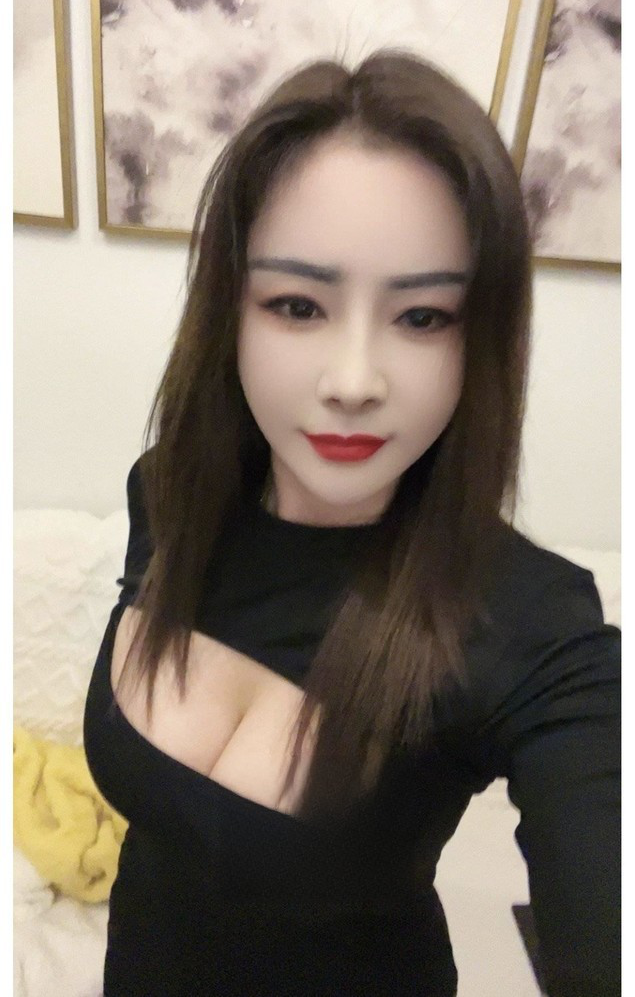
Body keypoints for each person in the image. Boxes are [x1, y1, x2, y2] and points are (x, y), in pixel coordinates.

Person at [83, 49, 620, 997]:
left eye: (423, 317)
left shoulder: (533, 626)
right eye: (297, 305)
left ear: (479, 340)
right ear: (230, 312)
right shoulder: (167, 496)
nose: (353, 380)